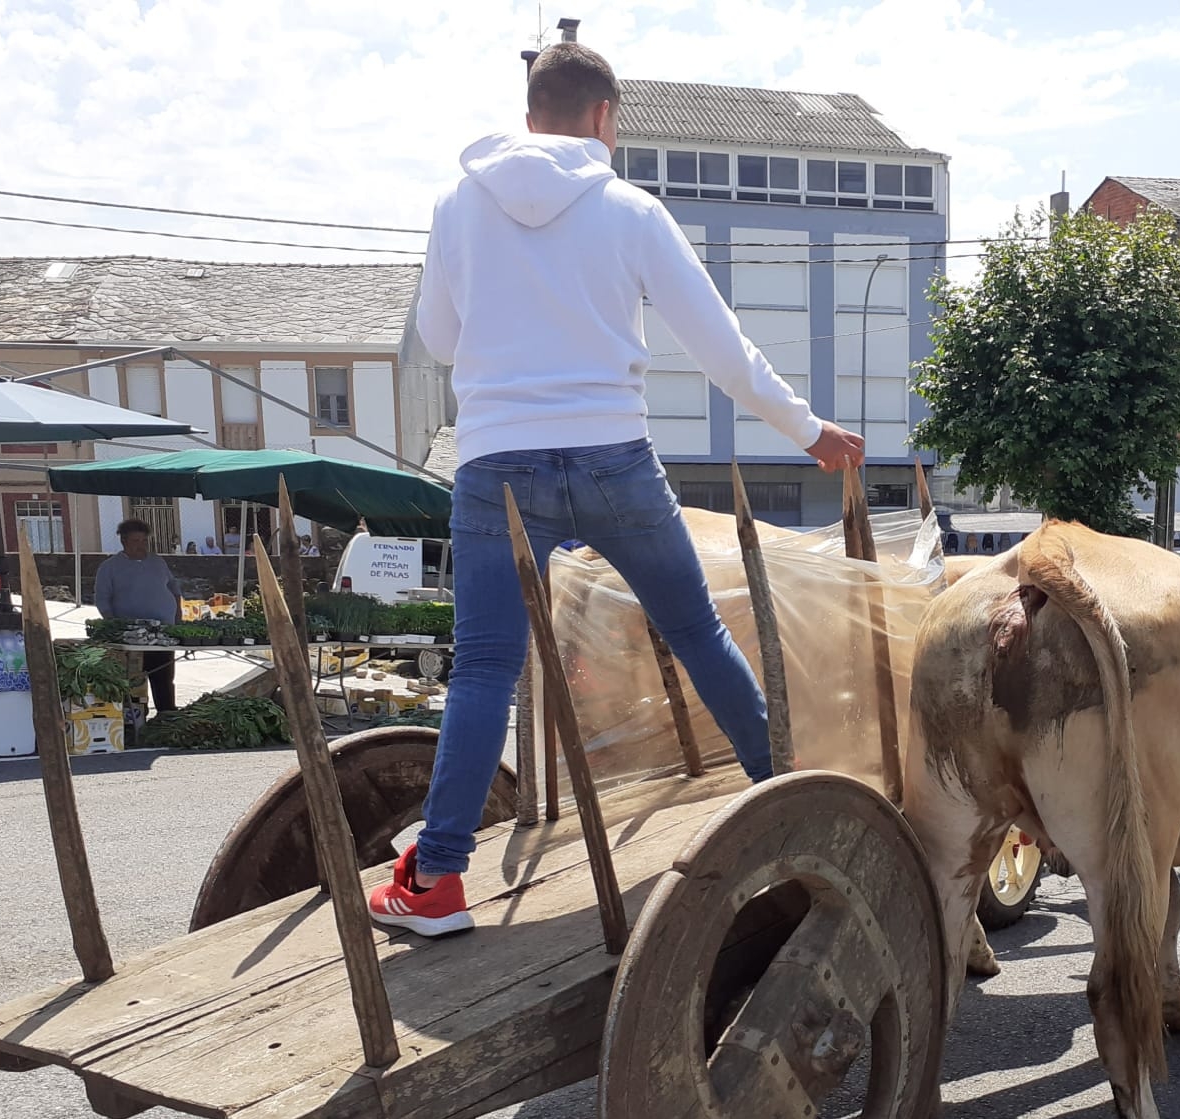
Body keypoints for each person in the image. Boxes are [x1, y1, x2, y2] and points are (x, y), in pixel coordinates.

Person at [368, 41, 865, 938]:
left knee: (483, 667)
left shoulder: (456, 204)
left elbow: (439, 339)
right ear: (605, 117)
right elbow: (722, 349)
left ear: (530, 115)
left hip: (497, 464)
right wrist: (808, 431)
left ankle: (436, 878)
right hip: (614, 458)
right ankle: (791, 811)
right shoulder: (631, 208)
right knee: (698, 633)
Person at [93, 518, 182, 714]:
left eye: (144, 541)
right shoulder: (110, 567)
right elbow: (102, 599)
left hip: (163, 633)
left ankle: (167, 714)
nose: (141, 545)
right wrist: (113, 625)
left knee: (164, 678)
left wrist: (178, 618)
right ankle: (136, 718)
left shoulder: (158, 562)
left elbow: (174, 588)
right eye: (136, 541)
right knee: (133, 682)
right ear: (123, 541)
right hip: (131, 636)